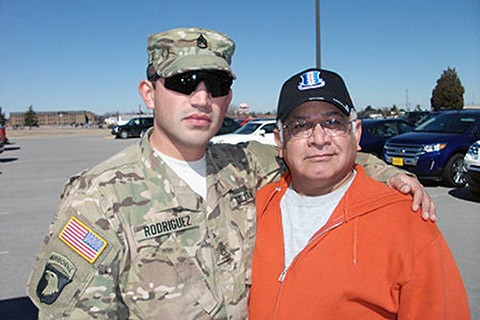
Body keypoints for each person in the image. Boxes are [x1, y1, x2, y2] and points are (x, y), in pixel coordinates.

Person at [26, 28, 434, 319]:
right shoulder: (98, 196)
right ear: (148, 93)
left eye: (216, 83)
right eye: (183, 82)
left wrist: (385, 173)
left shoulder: (243, 166)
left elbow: (320, 154)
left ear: (228, 98)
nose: (201, 98)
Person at [249, 68, 470, 319]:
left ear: (356, 133)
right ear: (279, 140)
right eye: (300, 126)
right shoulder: (252, 210)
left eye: (333, 123)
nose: (319, 139)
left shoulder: (408, 221)